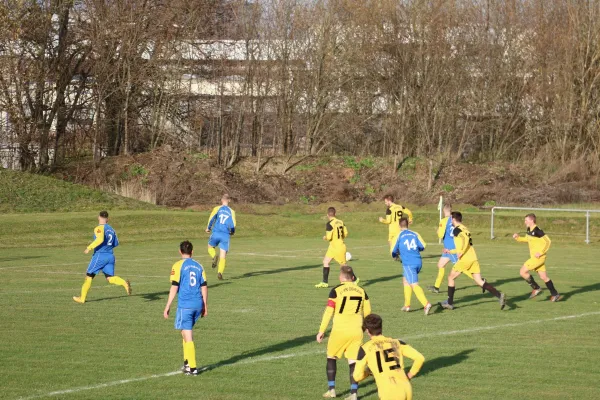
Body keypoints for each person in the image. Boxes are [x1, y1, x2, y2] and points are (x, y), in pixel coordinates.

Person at [317, 265, 371, 400]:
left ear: (340, 278)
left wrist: (321, 330)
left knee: (331, 357)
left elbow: (329, 311)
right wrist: (363, 328)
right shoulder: (362, 291)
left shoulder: (336, 291)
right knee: (353, 361)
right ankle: (353, 394)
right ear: (353, 278)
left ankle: (332, 390)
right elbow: (368, 313)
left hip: (339, 331)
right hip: (356, 330)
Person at [440, 212, 506, 311]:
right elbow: (462, 244)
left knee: (450, 277)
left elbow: (465, 240)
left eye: (451, 219)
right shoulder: (465, 228)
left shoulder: (456, 230)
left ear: (453, 219)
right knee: (479, 281)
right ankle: (499, 295)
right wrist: (450, 251)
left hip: (465, 259)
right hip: (473, 258)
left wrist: (461, 252)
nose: (450, 221)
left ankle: (449, 303)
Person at [353, 314, 425, 400]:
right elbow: (420, 358)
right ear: (381, 327)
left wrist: (368, 372)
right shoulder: (397, 342)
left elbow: (357, 376)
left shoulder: (364, 349)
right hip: (406, 387)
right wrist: (409, 375)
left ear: (367, 331)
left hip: (389, 391)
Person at [163, 241, 208, 376]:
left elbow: (174, 286)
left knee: (187, 335)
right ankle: (187, 363)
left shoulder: (178, 266)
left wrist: (167, 306)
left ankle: (193, 368)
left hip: (185, 305)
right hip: (197, 304)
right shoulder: (199, 266)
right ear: (192, 252)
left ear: (180, 251)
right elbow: (204, 286)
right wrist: (205, 305)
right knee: (185, 332)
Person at [73, 211, 130, 304]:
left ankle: (82, 298)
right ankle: (124, 283)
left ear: (98, 217)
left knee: (89, 276)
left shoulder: (99, 228)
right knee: (110, 278)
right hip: (110, 256)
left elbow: (100, 239)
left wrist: (89, 248)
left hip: (100, 255)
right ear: (108, 219)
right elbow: (116, 243)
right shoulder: (112, 229)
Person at [429, 204, 487, 294]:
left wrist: (437, 231)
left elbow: (440, 235)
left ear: (444, 211)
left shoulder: (443, 220)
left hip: (452, 248)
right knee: (440, 265)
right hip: (448, 248)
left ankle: (481, 281)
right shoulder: (453, 219)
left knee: (462, 269)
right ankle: (436, 287)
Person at [513, 214, 560, 301]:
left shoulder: (537, 230)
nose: (525, 222)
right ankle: (555, 294)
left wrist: (541, 252)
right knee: (544, 277)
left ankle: (536, 288)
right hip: (536, 258)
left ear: (531, 220)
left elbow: (548, 241)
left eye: (526, 220)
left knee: (522, 272)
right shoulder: (529, 229)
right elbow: (527, 239)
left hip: (538, 258)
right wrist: (518, 238)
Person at [392, 219, 432, 315]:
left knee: (414, 284)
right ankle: (407, 305)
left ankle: (426, 303)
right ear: (407, 225)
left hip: (408, 263)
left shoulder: (399, 235)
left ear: (399, 226)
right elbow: (423, 246)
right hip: (418, 261)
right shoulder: (415, 234)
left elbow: (393, 251)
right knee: (405, 281)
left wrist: (396, 256)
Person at [315, 207, 358, 288]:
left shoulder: (329, 224)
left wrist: (325, 237)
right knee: (325, 262)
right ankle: (324, 282)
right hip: (333, 247)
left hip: (338, 247)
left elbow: (328, 237)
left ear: (328, 215)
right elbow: (345, 233)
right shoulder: (341, 222)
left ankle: (354, 279)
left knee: (343, 266)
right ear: (335, 214)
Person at [206, 194, 236, 280]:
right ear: (229, 200)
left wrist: (208, 228)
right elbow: (233, 224)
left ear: (221, 200)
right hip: (225, 235)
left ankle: (214, 256)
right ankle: (220, 273)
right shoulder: (232, 211)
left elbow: (212, 218)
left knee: (210, 247)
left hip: (216, 232)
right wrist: (232, 231)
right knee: (223, 256)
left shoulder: (217, 208)